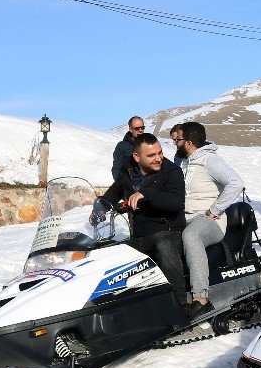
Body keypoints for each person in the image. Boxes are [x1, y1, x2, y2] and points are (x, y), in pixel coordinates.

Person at [94, 133, 187, 306]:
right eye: (151, 155)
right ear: (136, 157)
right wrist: (100, 208)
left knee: (164, 246)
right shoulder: (128, 170)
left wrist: (148, 194)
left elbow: (176, 202)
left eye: (160, 152)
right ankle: (112, 306)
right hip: (140, 236)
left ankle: (180, 303)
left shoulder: (172, 171)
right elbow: (114, 192)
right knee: (111, 253)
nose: (158, 158)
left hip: (169, 232)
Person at [177, 121, 245, 319]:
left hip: (210, 222)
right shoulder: (183, 162)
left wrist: (215, 209)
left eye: (178, 139)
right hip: (185, 218)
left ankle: (201, 300)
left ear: (189, 142)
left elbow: (236, 182)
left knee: (191, 236)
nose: (175, 142)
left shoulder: (210, 160)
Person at [112, 116, 145, 181]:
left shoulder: (149, 144)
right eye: (137, 128)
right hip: (130, 186)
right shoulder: (122, 146)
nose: (140, 130)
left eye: (142, 128)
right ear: (130, 129)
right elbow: (117, 169)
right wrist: (123, 186)